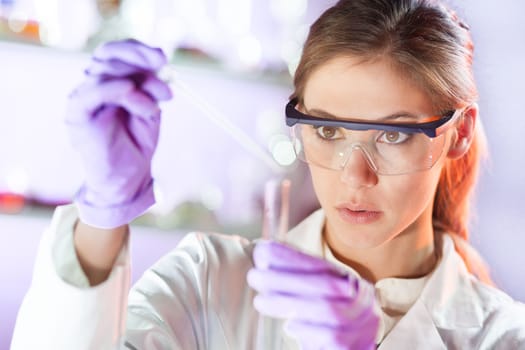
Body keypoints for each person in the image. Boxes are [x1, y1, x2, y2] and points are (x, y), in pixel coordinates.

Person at [11, 0, 525, 349]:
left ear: (458, 133)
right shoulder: (208, 280)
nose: (355, 175)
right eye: (326, 131)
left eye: (393, 135)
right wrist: (104, 208)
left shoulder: (503, 334)